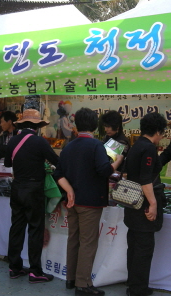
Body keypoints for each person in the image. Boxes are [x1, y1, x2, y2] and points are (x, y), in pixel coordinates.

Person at [54, 108, 124, 296]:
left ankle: (71, 278)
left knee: (73, 239)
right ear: (95, 125)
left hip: (72, 202)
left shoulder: (68, 146)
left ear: (77, 125)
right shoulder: (95, 146)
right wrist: (117, 161)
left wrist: (69, 190)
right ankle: (83, 284)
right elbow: (104, 170)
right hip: (90, 202)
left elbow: (57, 173)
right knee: (88, 242)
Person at [4, 109, 59, 283]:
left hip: (17, 187)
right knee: (35, 229)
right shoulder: (39, 142)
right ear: (37, 126)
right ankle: (35, 271)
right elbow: (57, 161)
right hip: (34, 189)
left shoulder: (13, 140)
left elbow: (6, 163)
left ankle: (14, 267)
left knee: (17, 227)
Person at [124, 112, 168, 296]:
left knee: (134, 246)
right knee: (143, 248)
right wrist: (153, 204)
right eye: (162, 133)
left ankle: (133, 284)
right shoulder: (149, 148)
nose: (162, 137)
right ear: (157, 131)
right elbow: (145, 179)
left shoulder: (135, 146)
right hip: (142, 204)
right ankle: (139, 289)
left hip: (131, 203)